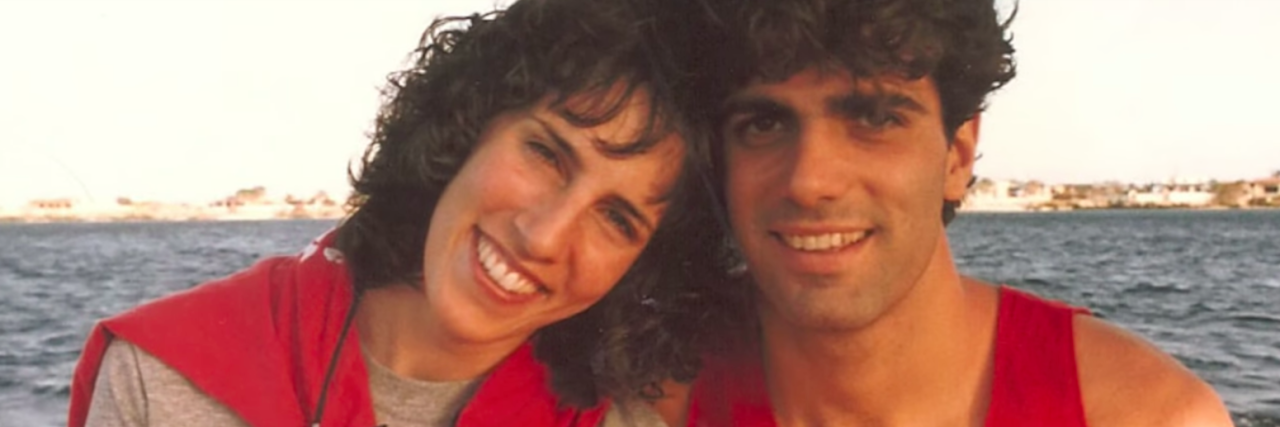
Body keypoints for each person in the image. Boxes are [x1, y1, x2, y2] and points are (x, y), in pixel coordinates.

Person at [67, 0, 724, 425]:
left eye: (618, 219)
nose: (545, 235)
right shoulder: (164, 377)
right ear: (467, 127)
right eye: (547, 154)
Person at [663, 0, 1237, 425]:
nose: (810, 181)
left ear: (957, 155)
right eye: (762, 124)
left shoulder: (1145, 416)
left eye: (876, 118)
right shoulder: (641, 399)